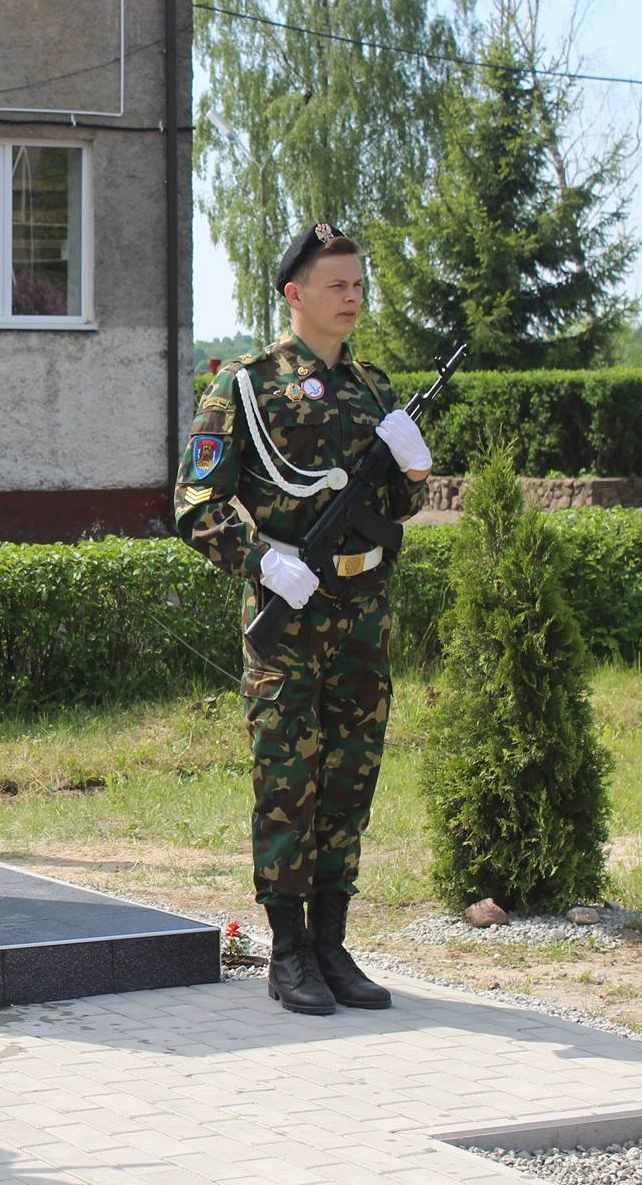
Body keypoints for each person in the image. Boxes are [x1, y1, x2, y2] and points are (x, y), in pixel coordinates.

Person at [173, 223, 433, 1016]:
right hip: (287, 618)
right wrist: (261, 563)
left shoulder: (376, 389)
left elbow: (396, 508)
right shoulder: (245, 387)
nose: (352, 297)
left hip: (364, 614)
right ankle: (287, 950)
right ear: (295, 295)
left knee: (351, 780)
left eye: (359, 284)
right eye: (337, 285)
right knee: (289, 781)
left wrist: (414, 471)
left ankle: (332, 943)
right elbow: (194, 506)